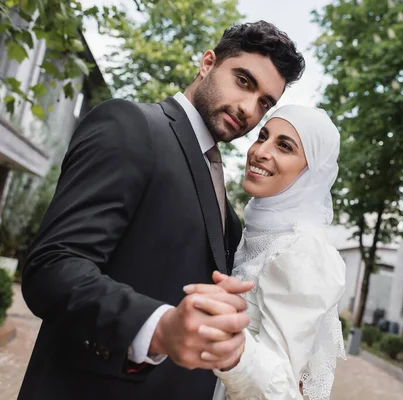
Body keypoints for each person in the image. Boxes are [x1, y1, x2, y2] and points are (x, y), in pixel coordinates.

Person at [17, 21, 305, 400]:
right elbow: (52, 266)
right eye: (244, 81)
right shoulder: (132, 125)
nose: (249, 109)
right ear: (207, 64)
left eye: (265, 102)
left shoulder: (227, 207)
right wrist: (160, 328)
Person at [205, 105, 347, 399]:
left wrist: (225, 337)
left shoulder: (303, 250)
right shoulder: (259, 232)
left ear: (311, 173)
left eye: (284, 146)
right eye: (262, 137)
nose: (260, 151)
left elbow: (282, 386)